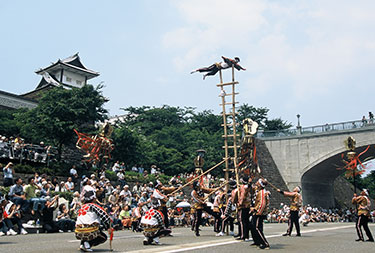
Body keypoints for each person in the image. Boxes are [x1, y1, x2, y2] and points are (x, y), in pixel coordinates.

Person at [75, 185, 112, 252]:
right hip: (88, 231)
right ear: (93, 198)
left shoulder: (82, 207)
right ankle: (87, 244)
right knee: (103, 237)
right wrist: (108, 227)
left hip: (78, 232)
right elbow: (104, 216)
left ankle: (83, 243)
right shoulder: (93, 206)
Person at [250, 179, 270, 249]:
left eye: (257, 183)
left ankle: (265, 243)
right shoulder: (258, 190)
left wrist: (256, 210)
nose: (256, 183)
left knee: (257, 227)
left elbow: (262, 203)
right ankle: (257, 241)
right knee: (252, 226)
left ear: (260, 185)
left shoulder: (262, 192)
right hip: (256, 211)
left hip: (259, 212)